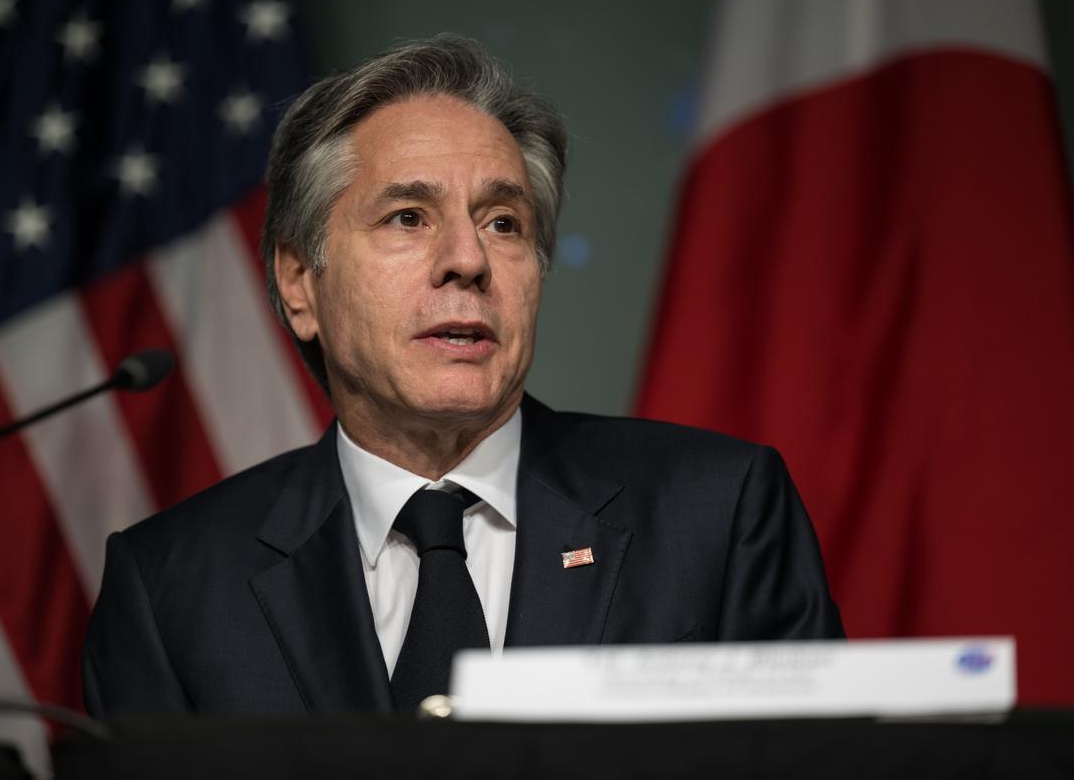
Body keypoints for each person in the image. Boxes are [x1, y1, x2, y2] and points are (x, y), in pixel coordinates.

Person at [81, 35, 844, 718]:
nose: (469, 259)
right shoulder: (171, 586)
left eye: (503, 222)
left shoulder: (719, 513)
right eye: (408, 216)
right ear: (298, 281)